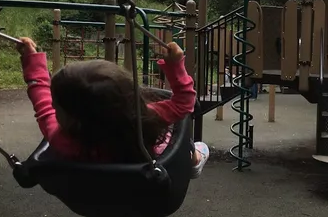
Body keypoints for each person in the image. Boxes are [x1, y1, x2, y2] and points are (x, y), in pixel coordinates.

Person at [16, 37, 209, 177]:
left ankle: (191, 154)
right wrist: (175, 66)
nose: (53, 109)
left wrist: (33, 61)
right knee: (181, 142)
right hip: (151, 177)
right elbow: (185, 103)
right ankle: (194, 159)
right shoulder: (143, 120)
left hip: (101, 187)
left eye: (56, 107)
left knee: (169, 137)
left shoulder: (61, 139)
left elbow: (42, 104)